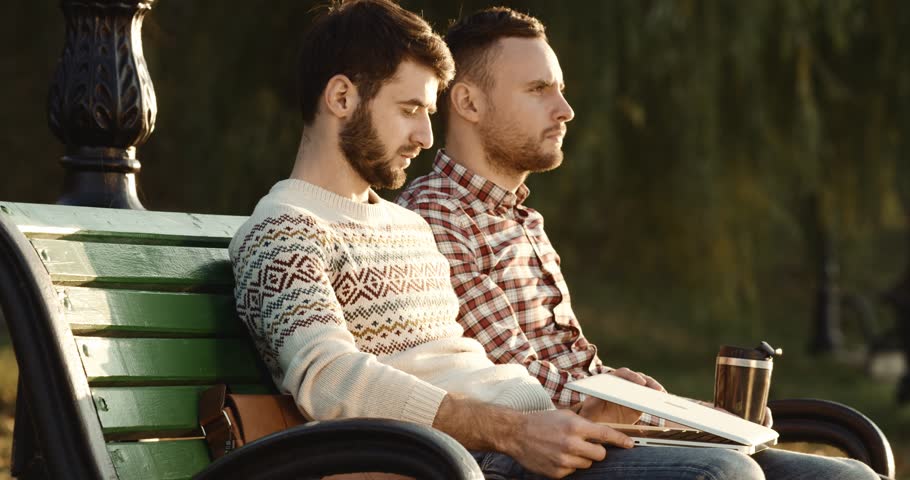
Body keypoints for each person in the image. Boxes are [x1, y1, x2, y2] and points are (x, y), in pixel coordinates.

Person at [398, 6, 879, 479]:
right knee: (725, 472)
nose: (565, 110)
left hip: (591, 435)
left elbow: (577, 373)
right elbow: (515, 380)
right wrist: (657, 411)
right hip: (524, 451)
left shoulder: (523, 218)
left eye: (560, 90)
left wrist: (691, 415)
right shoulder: (435, 215)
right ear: (469, 104)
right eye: (539, 90)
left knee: (849, 475)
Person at [229, 1, 666, 478]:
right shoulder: (283, 229)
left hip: (517, 441)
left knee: (751, 463)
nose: (425, 135)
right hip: (456, 460)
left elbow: (462, 368)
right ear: (341, 98)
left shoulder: (407, 228)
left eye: (429, 112)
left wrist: (578, 421)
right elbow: (330, 377)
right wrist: (515, 432)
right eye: (410, 109)